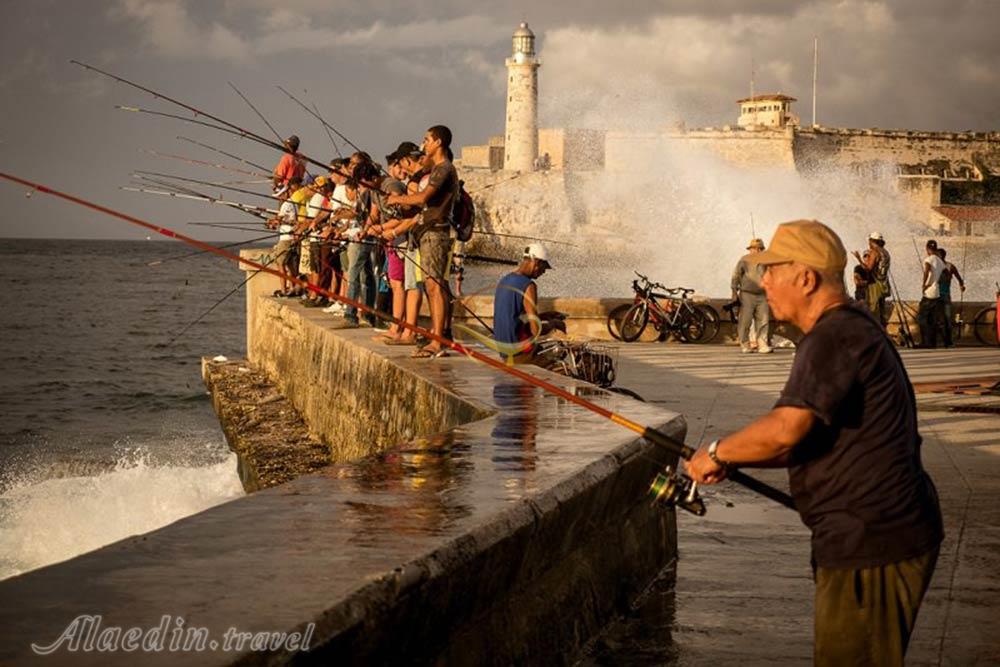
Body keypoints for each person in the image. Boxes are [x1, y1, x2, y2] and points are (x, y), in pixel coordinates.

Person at [687, 219, 943, 666]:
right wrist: (736, 462)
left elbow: (786, 427)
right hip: (875, 535)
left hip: (872, 541)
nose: (761, 279)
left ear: (805, 278)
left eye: (772, 271)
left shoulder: (833, 335)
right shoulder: (848, 327)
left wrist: (715, 451)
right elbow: (806, 439)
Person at [385, 126, 460, 358]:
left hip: (435, 234)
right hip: (428, 233)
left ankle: (438, 340)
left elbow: (423, 197)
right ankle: (440, 335)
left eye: (427, 140)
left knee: (434, 286)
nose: (423, 144)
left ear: (438, 142)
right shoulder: (436, 167)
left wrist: (396, 198)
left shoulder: (444, 168)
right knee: (432, 285)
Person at [492, 243, 552, 362]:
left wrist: (547, 316)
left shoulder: (504, 280)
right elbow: (536, 331)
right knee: (562, 369)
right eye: (543, 268)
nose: (543, 272)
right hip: (520, 354)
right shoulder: (528, 286)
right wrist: (553, 325)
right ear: (536, 262)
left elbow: (514, 317)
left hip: (504, 352)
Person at [731, 238, 771, 353]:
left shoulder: (767, 261)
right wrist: (734, 292)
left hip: (763, 295)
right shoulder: (744, 260)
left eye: (759, 248)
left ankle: (762, 345)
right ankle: (745, 345)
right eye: (754, 248)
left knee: (763, 320)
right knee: (745, 320)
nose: (757, 251)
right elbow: (736, 275)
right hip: (747, 294)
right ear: (750, 249)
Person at [266, 175, 302, 297]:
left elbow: (280, 220)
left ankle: (284, 290)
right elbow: (283, 220)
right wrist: (273, 222)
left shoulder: (286, 204)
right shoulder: (294, 203)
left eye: (280, 195)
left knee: (280, 263)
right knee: (291, 265)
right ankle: (293, 288)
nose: (279, 198)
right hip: (292, 238)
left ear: (285, 193)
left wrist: (272, 223)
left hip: (286, 239)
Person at [852, 232, 890, 326]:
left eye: (869, 241)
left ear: (872, 241)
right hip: (884, 284)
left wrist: (859, 259)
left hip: (875, 285)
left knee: (873, 310)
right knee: (882, 310)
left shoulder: (874, 252)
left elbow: (868, 268)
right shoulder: (885, 252)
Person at [917, 239, 947, 348]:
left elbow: (927, 271)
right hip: (937, 292)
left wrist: (924, 284)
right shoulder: (940, 261)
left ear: (927, 249)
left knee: (922, 318)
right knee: (932, 319)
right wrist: (937, 281)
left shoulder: (929, 259)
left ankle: (925, 342)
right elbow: (946, 274)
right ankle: (932, 343)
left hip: (929, 293)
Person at [936, 247, 966, 348]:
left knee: (946, 319)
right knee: (944, 319)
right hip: (940, 295)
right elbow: (960, 280)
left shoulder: (947, 266)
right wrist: (961, 285)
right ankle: (945, 341)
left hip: (941, 296)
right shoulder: (946, 266)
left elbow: (959, 279)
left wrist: (961, 285)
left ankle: (948, 341)